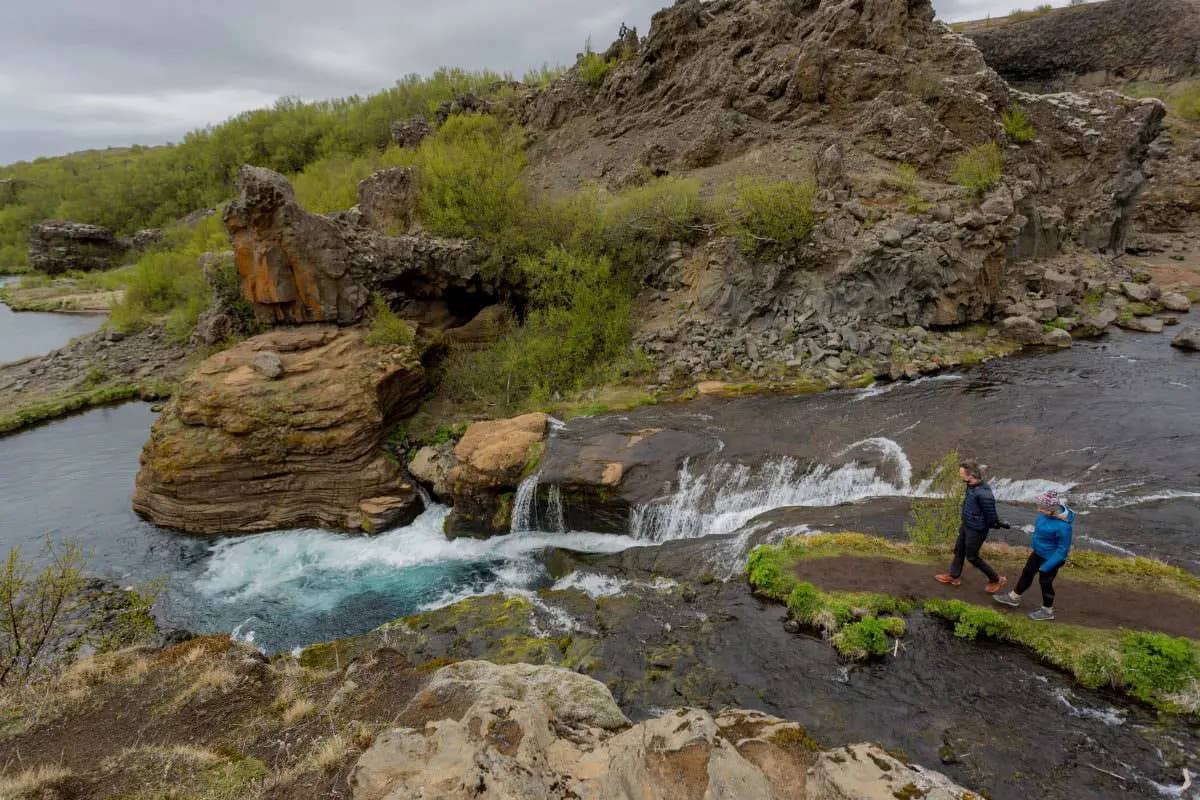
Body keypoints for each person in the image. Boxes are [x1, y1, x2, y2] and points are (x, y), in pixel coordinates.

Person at [994, 490, 1074, 621]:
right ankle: (1014, 597)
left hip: (1051, 559)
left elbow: (1062, 550)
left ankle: (1047, 611)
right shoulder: (1045, 516)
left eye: (1042, 507)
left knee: (1045, 582)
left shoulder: (1064, 527)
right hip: (1038, 553)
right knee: (1027, 572)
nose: (1039, 509)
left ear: (1050, 510)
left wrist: (1047, 566)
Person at [934, 460, 1008, 593]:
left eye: (961, 473)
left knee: (972, 557)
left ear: (971, 475)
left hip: (977, 529)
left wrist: (995, 524)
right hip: (967, 524)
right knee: (959, 550)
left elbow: (991, 516)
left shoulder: (984, 494)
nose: (959, 475)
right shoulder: (970, 485)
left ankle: (996, 579)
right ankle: (954, 576)